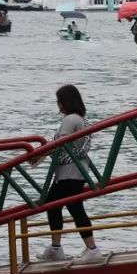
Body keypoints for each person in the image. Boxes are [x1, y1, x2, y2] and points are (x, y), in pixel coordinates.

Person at [35, 85, 102, 262]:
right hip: (73, 173)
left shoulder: (70, 119)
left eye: (59, 101)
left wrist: (40, 155)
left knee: (72, 207)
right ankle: (57, 248)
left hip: (70, 173)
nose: (58, 105)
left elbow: (60, 144)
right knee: (55, 205)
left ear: (66, 102)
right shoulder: (78, 119)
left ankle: (91, 249)